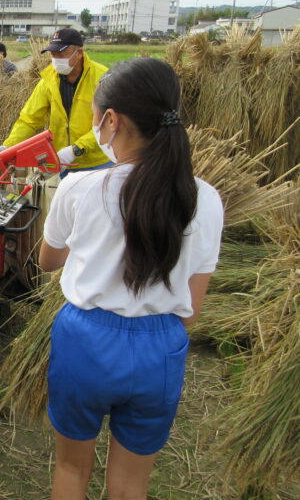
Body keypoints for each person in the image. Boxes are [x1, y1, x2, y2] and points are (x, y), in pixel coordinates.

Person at [38, 58, 224, 500]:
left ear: (111, 121)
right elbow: (192, 311)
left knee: (70, 468)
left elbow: (47, 261)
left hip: (85, 340)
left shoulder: (80, 189)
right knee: (129, 484)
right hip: (159, 348)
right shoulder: (206, 200)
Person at [0, 29, 110, 175]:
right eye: (53, 54)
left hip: (96, 164)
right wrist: (8, 146)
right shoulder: (49, 80)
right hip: (62, 162)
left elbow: (107, 125)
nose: (55, 58)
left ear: (79, 52)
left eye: (61, 53)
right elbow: (29, 119)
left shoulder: (101, 78)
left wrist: (76, 149)